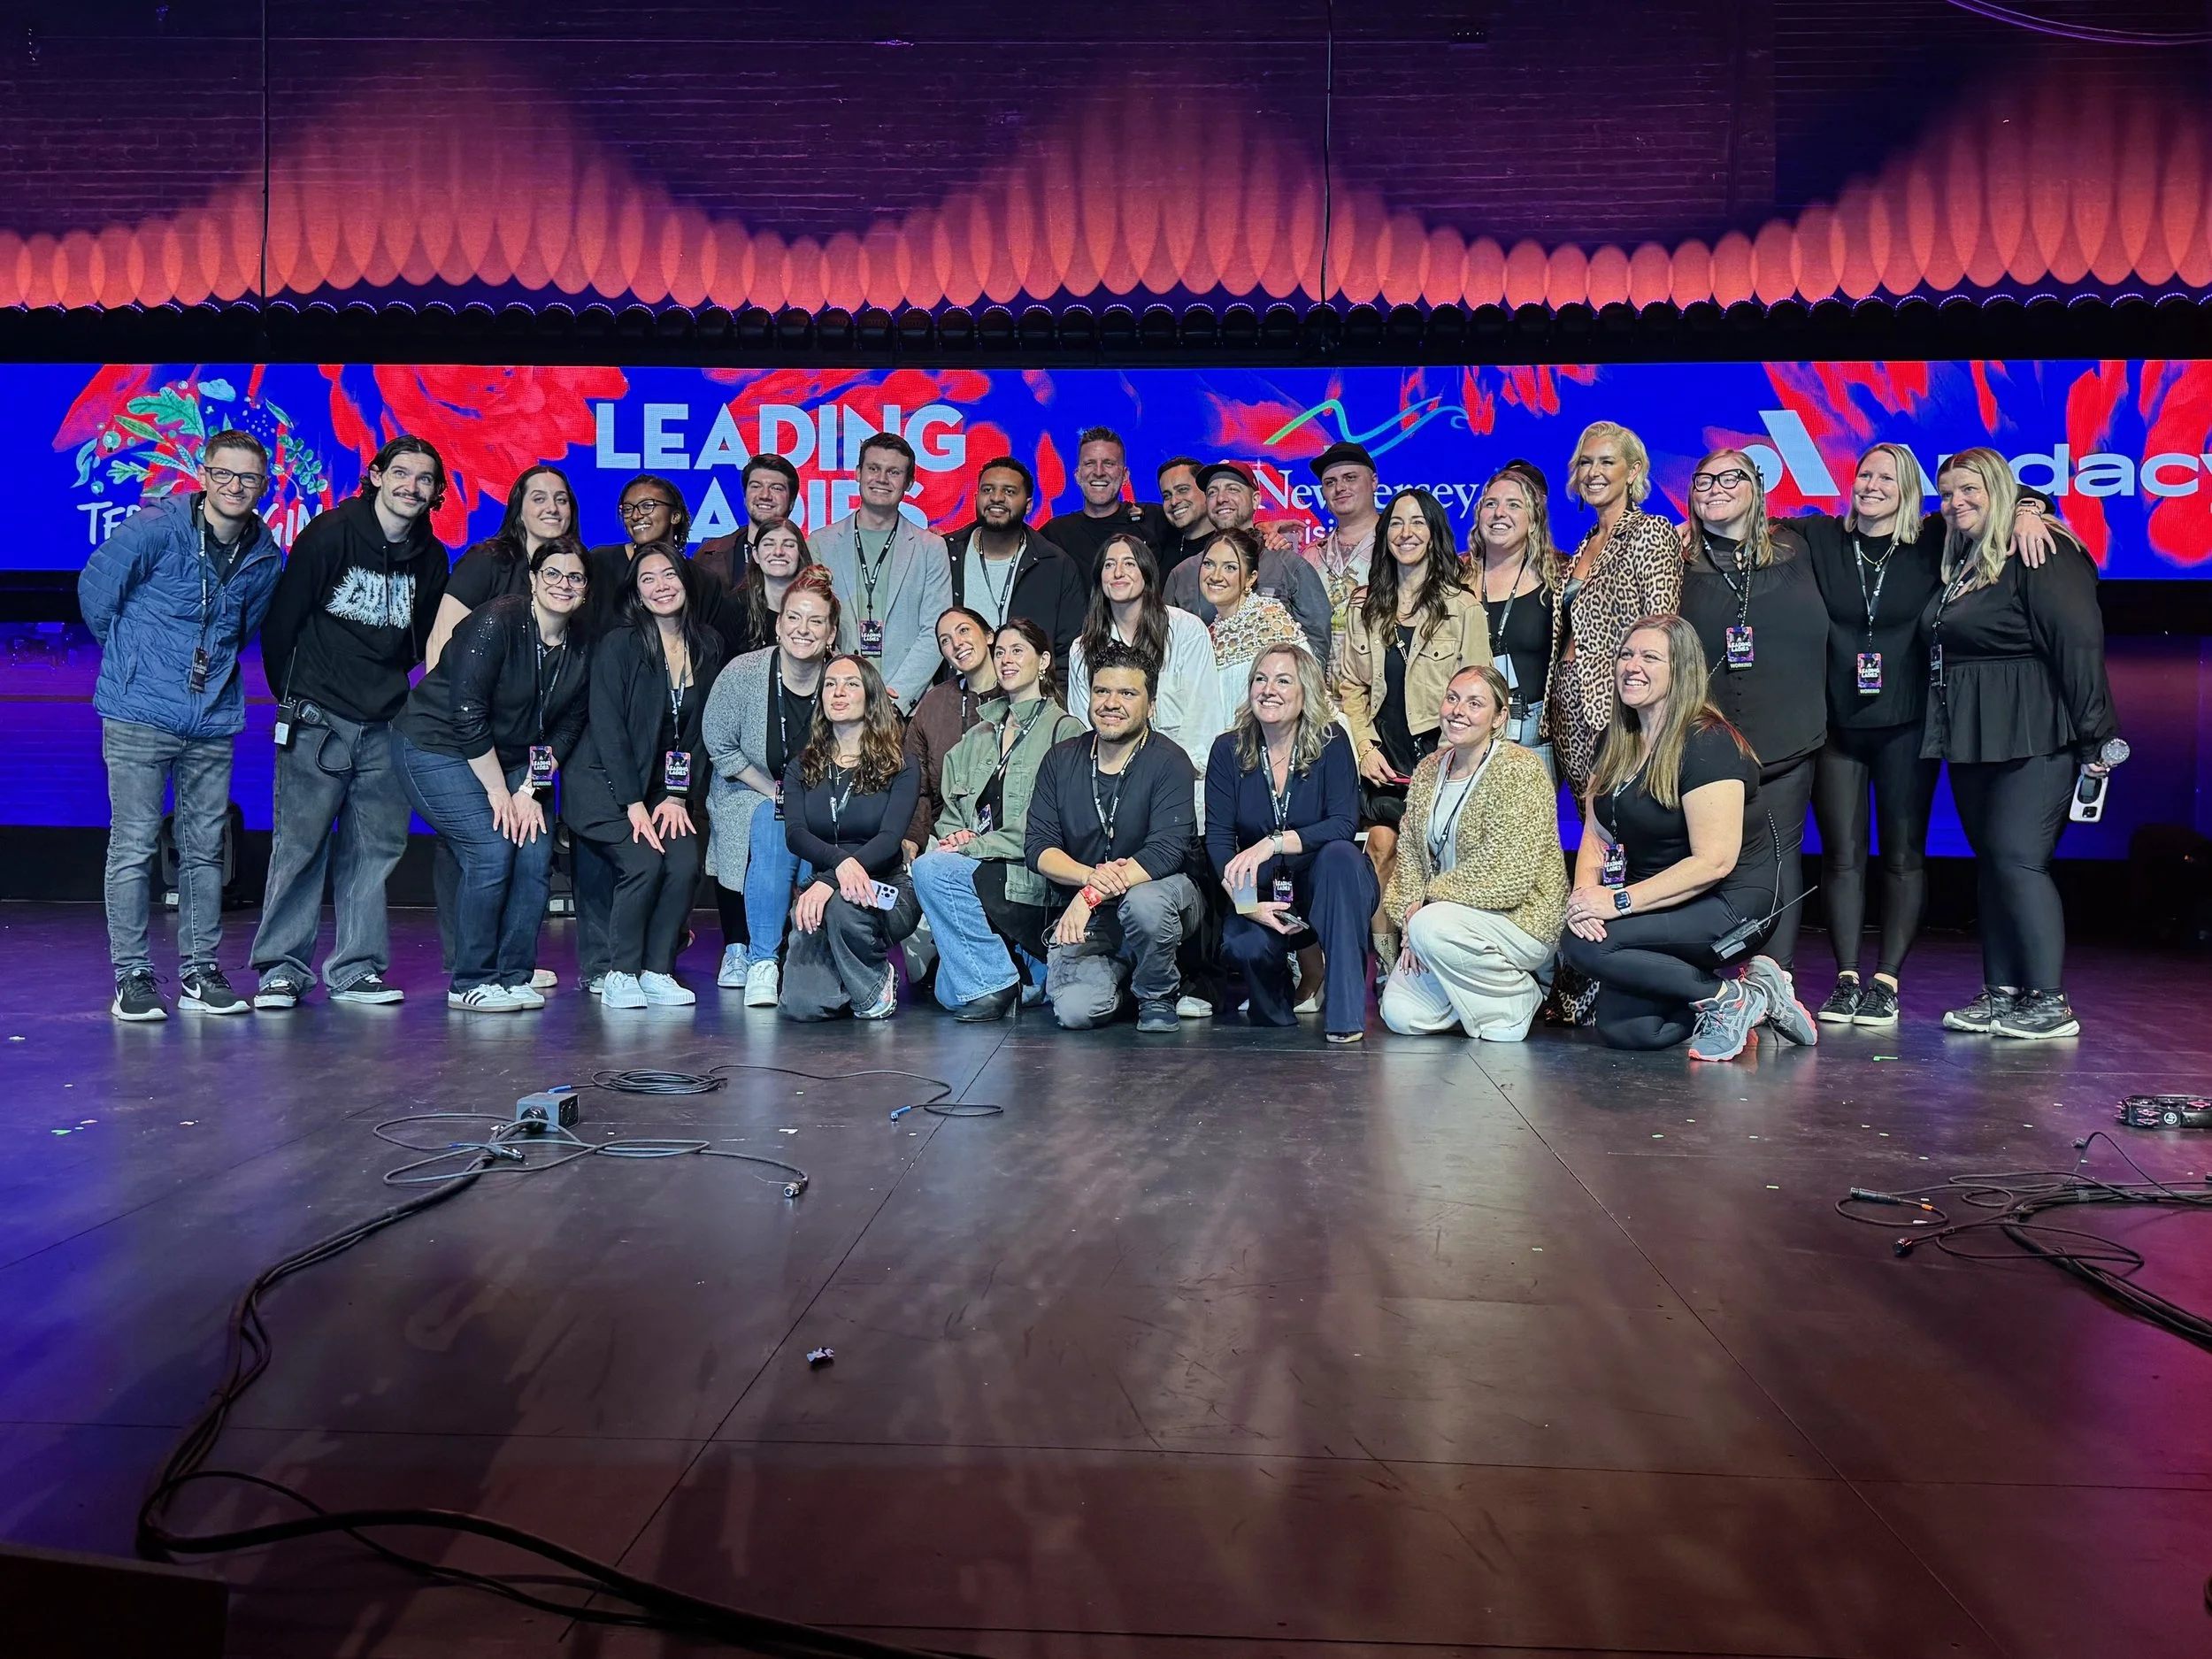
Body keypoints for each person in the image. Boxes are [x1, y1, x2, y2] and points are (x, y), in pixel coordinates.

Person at [1803, 442, 2055, 1028]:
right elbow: (1753, 524)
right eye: (1864, 473)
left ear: (1909, 489)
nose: (1871, 484)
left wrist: (2028, 509)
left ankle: (1886, 981)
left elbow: (1991, 503)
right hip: (1838, 725)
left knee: (1902, 855)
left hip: (1910, 725)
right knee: (1841, 855)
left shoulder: (1935, 537)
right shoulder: (1821, 538)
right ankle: (1846, 979)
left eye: (1887, 477)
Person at [80, 430, 283, 1021]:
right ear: (204, 473)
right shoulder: (156, 527)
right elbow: (96, 589)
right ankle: (133, 977)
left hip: (211, 718)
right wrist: (132, 659)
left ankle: (199, 969)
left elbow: (243, 628)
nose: (236, 487)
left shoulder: (265, 554)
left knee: (203, 850)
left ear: (262, 485)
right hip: (138, 712)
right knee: (135, 844)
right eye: (225, 474)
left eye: (249, 478)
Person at [1923, 447, 2118, 1041]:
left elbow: (2079, 645)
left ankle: (2050, 1002)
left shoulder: (2042, 549)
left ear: (2002, 492)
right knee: (1995, 865)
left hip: (2036, 729)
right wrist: (2029, 503)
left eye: (1971, 490)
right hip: (1975, 731)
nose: (1957, 502)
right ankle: (2003, 993)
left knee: (2019, 860)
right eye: (1949, 492)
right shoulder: (1962, 555)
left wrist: (2096, 739)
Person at [250, 436, 451, 1009]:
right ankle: (280, 969)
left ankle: (356, 967)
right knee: (300, 845)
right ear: (377, 474)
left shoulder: (431, 557)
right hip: (317, 714)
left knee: (375, 847)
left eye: (425, 479)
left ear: (435, 492)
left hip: (385, 720)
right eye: (402, 473)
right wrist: (294, 697)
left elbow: (421, 640)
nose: (412, 486)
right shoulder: (330, 534)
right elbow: (281, 623)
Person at [1558, 615, 1794, 1061]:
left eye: (1650, 657)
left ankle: (1733, 999)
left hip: (1730, 906)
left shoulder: (1709, 743)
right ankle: (1753, 995)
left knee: (1583, 946)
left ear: (1681, 670)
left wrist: (1618, 902)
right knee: (1630, 1031)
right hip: (1666, 901)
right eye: (1626, 654)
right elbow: (1596, 828)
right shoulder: (1617, 737)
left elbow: (1714, 862)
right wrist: (1585, 896)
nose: (1632, 666)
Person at [393, 545, 591, 1011]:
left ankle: (514, 973)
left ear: (586, 591)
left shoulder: (583, 646)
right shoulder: (495, 622)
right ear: (534, 578)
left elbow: (566, 726)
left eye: (576, 578)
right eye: (553, 573)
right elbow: (467, 715)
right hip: (437, 745)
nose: (563, 583)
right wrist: (501, 793)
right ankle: (471, 980)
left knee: (535, 852)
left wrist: (529, 790)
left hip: (517, 757)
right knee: (491, 848)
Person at [1677, 448, 1823, 1046]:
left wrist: (2025, 507)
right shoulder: (1677, 559)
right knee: (1705, 860)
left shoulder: (1802, 545)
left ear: (1757, 486)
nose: (1716, 488)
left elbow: (1896, 525)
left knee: (1781, 860)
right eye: (1705, 478)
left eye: (1731, 476)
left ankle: (1772, 980)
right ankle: (1708, 988)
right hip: (1707, 743)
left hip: (1786, 734)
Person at [562, 548, 725, 1009]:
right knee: (643, 863)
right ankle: (621, 972)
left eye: (669, 574)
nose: (661, 586)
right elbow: (608, 725)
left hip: (659, 790)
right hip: (603, 785)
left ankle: (657, 970)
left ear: (685, 581)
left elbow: (698, 730)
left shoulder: (707, 644)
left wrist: (677, 795)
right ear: (636, 591)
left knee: (683, 864)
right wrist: (633, 802)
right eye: (647, 579)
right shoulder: (621, 643)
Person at [1337, 488, 1493, 972]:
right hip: (1384, 757)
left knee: (1436, 860)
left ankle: (1432, 958)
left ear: (1434, 534)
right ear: (1385, 535)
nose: (1407, 533)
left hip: (1443, 755)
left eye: (1418, 523)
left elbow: (1481, 687)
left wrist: (1453, 751)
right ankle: (1386, 968)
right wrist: (1363, 745)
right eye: (1398, 523)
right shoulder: (1365, 605)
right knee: (1382, 848)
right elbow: (1350, 687)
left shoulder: (1461, 606)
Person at [910, 618, 1088, 1020]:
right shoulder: (977, 737)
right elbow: (952, 816)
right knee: (949, 995)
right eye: (1001, 651)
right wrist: (956, 836)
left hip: (1028, 875)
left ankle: (1003, 979)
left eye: (1018, 651)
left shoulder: (1066, 730)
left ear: (1043, 661)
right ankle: (1015, 973)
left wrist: (974, 845)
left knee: (930, 870)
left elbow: (1055, 829)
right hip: (979, 869)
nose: (1006, 660)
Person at [1380, 664, 1567, 1041]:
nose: (1458, 710)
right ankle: (1477, 1001)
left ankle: (1519, 998)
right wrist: (1409, 920)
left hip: (1519, 919)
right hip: (1442, 923)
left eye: (1475, 703)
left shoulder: (1520, 770)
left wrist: (1426, 910)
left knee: (1431, 928)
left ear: (1499, 717)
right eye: (1452, 698)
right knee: (1401, 1015)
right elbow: (1412, 859)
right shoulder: (1429, 768)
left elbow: (1507, 874)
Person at [1025, 641, 1203, 1033]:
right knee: (1074, 1013)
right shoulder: (1061, 759)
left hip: (1161, 895)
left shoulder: (1169, 761)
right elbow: (1039, 847)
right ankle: (1127, 983)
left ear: (1151, 705)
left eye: (1127, 693)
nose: (1111, 702)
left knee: (1145, 904)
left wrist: (1089, 895)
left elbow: (1166, 852)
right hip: (1097, 915)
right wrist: (1091, 880)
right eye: (1102, 691)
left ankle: (1157, 995)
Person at [1205, 644, 1375, 1042]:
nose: (1269, 690)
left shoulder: (1331, 742)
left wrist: (1274, 842)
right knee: (1247, 951)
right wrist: (1247, 907)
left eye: (1284, 680)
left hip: (1325, 885)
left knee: (1341, 857)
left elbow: (1344, 824)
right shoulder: (1227, 750)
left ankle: (1345, 1014)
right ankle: (1282, 991)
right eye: (1261, 679)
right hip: (1264, 892)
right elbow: (1217, 839)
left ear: (1306, 692)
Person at [700, 569, 839, 1004]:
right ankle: (754, 956)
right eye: (794, 618)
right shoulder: (743, 672)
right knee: (768, 821)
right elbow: (719, 743)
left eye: (816, 621)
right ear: (778, 624)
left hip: (820, 795)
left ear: (831, 633)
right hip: (747, 785)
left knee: (788, 822)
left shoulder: (843, 678)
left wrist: (800, 800)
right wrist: (775, 793)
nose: (803, 630)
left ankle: (769, 952)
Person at [778, 654, 923, 1021]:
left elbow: (890, 839)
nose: (838, 692)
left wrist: (831, 880)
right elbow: (795, 835)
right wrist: (836, 870)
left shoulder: (901, 765)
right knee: (803, 1006)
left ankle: (874, 981)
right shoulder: (801, 766)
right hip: (821, 890)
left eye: (851, 684)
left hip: (885, 887)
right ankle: (849, 975)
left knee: (844, 902)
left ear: (870, 696)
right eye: (830, 684)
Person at [1544, 421, 1683, 802]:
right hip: (1567, 704)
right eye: (1586, 462)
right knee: (1590, 818)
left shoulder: (1651, 532)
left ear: (1633, 470)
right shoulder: (1584, 543)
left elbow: (1661, 629)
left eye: (1607, 462)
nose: (1593, 472)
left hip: (1619, 707)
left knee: (1622, 818)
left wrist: (1647, 711)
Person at [1066, 533, 1226, 786]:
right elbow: (1085, 725)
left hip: (1182, 779)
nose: (1118, 572)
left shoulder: (1186, 630)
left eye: (1129, 563)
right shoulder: (1082, 649)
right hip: (1111, 781)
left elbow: (1203, 715)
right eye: (1109, 565)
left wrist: (1171, 772)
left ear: (1147, 573)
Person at [810, 431, 953, 712]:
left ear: (909, 482)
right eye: (874, 468)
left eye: (894, 472)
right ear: (858, 473)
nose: (882, 479)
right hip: (838, 701)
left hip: (908, 707)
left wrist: (893, 700)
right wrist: (849, 688)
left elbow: (934, 631)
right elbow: (817, 625)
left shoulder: (931, 548)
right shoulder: (820, 543)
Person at [1162, 461, 1333, 665]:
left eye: (1232, 489)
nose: (1221, 499)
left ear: (1255, 499)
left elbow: (1317, 640)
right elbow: (1167, 646)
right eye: (1212, 493)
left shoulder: (1289, 565)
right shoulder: (1183, 573)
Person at [424, 465, 581, 669]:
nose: (552, 508)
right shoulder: (486, 561)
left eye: (561, 500)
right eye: (539, 499)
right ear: (520, 512)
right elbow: (441, 639)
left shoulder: (577, 574)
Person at [943, 455, 1087, 656]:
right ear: (976, 497)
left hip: (1033, 687)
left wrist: (1052, 688)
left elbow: (1071, 649)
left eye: (1009, 491)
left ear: (1028, 505)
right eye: (988, 490)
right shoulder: (945, 553)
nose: (996, 497)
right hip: (958, 685)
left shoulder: (1056, 565)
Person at [1470, 462, 1561, 775]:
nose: (1499, 513)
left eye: (1514, 505)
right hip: (1467, 728)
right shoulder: (1453, 576)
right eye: (1491, 504)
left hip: (1535, 734)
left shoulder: (1557, 577)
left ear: (1533, 519)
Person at [902, 607, 999, 860]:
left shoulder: (1019, 692)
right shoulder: (935, 704)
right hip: (944, 837)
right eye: (946, 640)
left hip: (1006, 838)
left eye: (964, 630)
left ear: (989, 635)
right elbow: (917, 785)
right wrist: (913, 838)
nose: (957, 644)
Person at [1197, 527, 1306, 720]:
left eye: (1230, 567)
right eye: (1208, 564)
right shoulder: (1208, 632)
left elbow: (1305, 692)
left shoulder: (1269, 621)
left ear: (1251, 577)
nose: (1215, 576)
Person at [1042, 427, 1173, 580]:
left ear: (1125, 476)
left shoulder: (1153, 518)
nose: (1098, 472)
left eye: (1108, 463)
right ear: (1077, 475)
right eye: (1090, 463)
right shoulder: (1055, 533)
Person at [1305, 442, 1381, 665]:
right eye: (1330, 482)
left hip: (1381, 685)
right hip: (1320, 688)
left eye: (1350, 478)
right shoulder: (1310, 556)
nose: (1340, 488)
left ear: (1374, 482)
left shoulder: (1400, 546)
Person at [693, 453, 801, 588]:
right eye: (756, 486)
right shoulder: (709, 555)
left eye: (776, 488)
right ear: (745, 496)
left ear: (791, 502)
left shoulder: (811, 556)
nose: (765, 495)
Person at [718, 516, 813, 658]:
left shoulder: (817, 606)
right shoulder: (735, 608)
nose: (778, 552)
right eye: (769, 544)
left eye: (788, 545)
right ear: (756, 555)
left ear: (800, 554)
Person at [1154, 455, 1213, 580]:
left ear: (1207, 490)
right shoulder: (1161, 545)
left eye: (1182, 490)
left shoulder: (1231, 545)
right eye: (1167, 496)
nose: (1174, 501)